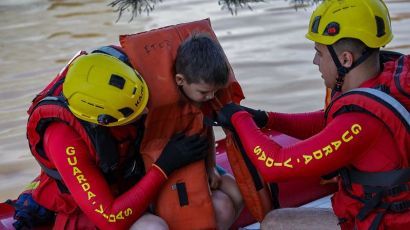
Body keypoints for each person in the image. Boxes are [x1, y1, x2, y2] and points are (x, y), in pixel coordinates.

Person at [215, 0, 410, 229]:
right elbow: (329, 122)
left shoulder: (361, 123)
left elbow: (274, 164)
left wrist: (239, 119)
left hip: (385, 223)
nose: (315, 61)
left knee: (274, 223)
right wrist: (267, 118)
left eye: (319, 53)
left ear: (346, 59)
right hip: (387, 212)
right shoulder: (387, 78)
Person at [16, 52, 208, 230]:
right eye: (131, 112)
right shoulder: (63, 140)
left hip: (128, 176)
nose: (146, 111)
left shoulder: (121, 64)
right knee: (152, 227)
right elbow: (110, 219)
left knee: (218, 203)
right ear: (102, 120)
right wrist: (164, 166)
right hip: (86, 209)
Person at [174, 33, 244, 230]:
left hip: (204, 164)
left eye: (214, 91)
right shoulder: (169, 109)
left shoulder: (202, 99)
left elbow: (207, 132)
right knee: (223, 206)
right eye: (204, 92)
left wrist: (211, 167)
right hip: (178, 172)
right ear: (180, 80)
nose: (211, 97)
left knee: (238, 193)